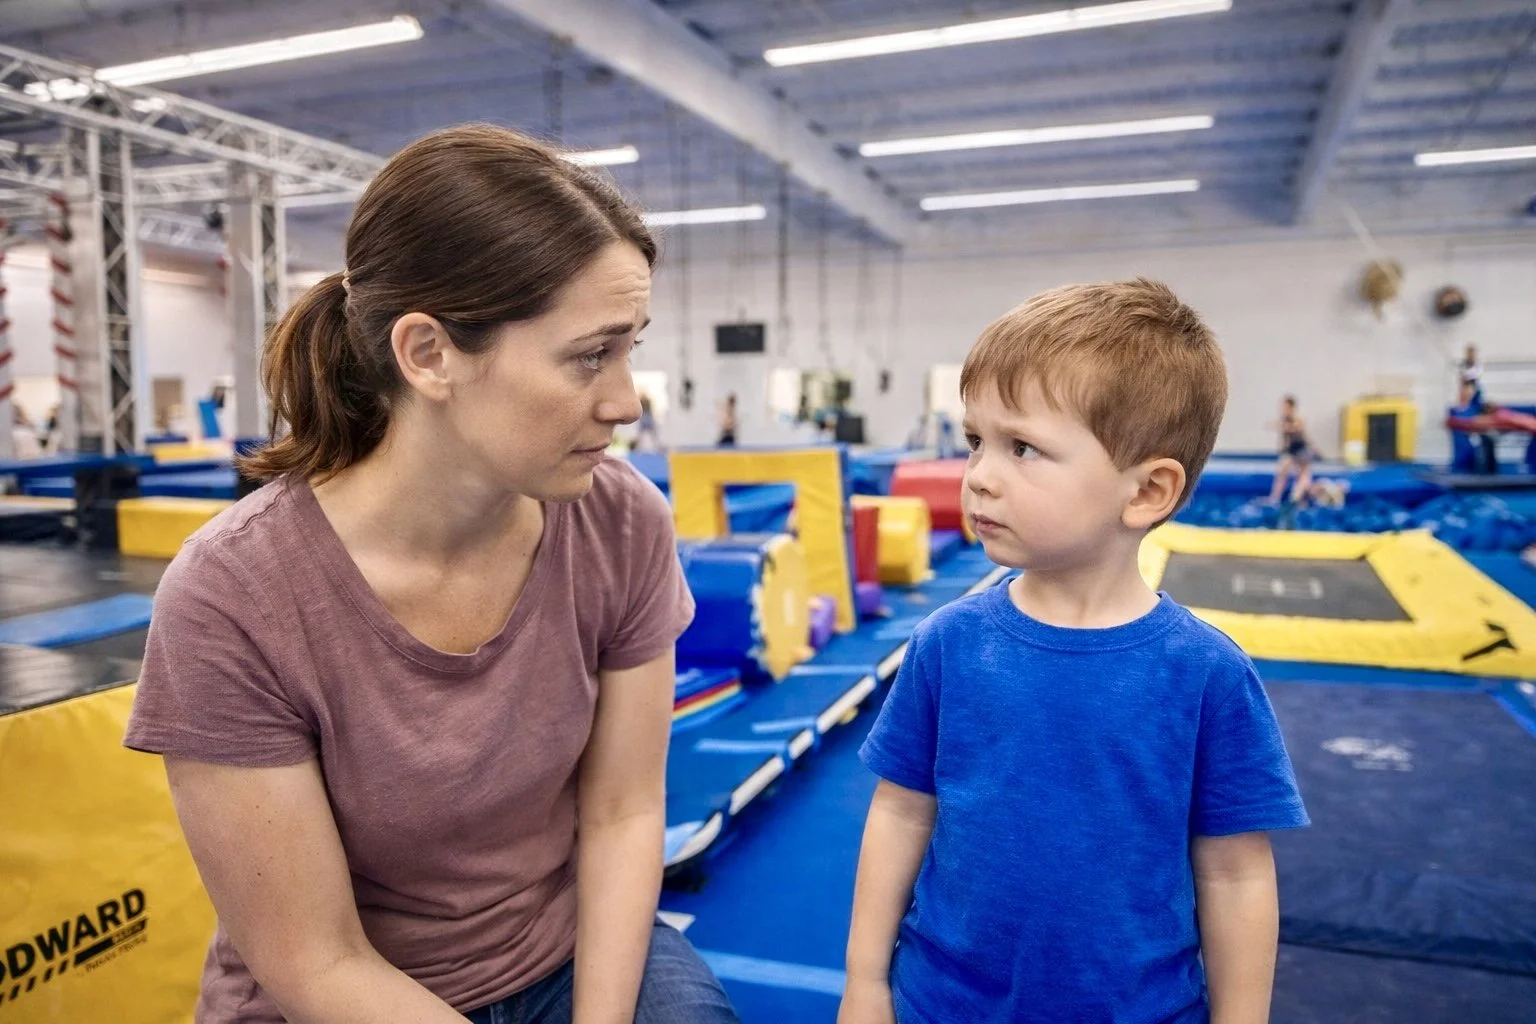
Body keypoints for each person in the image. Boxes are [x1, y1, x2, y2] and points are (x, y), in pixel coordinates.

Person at [123, 124, 738, 1024]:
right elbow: (314, 958)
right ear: (429, 355)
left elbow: (621, 813)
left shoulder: (620, 519)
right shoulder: (235, 596)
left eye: (630, 347)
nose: (625, 400)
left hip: (555, 952)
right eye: (590, 355)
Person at [839, 279, 1308, 1024]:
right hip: (943, 1003)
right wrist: (865, 984)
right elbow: (900, 815)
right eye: (976, 441)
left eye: (1022, 447)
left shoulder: (1205, 675)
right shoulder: (948, 644)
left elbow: (1235, 875)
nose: (980, 475)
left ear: (1147, 491)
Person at [1267, 394, 1313, 504]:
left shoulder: (1297, 419)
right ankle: (1275, 498)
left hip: (1302, 450)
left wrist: (1280, 426)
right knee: (1282, 472)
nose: (1283, 410)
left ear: (1292, 408)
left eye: (1286, 407)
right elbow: (1285, 437)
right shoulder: (1284, 419)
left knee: (1302, 476)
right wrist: (1282, 447)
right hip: (1291, 450)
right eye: (1283, 407)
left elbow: (1296, 428)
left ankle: (1300, 499)